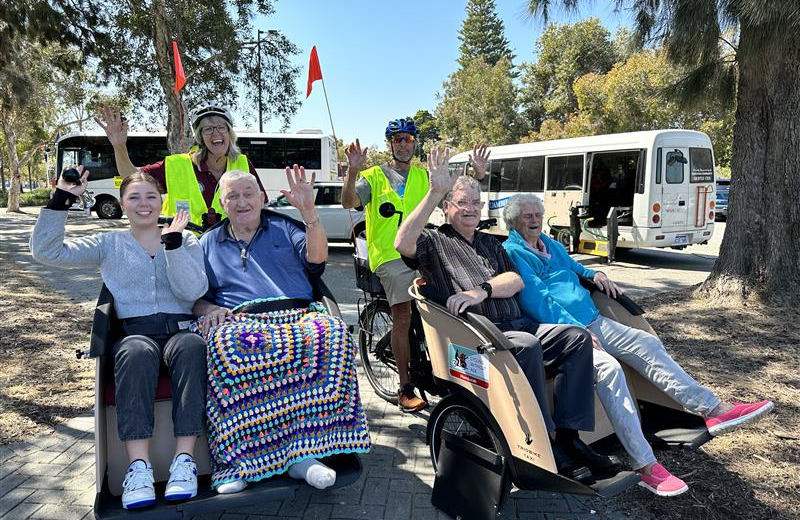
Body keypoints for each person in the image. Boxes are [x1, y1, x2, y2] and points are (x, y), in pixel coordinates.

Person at [501, 193, 775, 496]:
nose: (535, 220)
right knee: (610, 369)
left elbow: (576, 269)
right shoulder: (514, 252)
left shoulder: (549, 244)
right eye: (527, 216)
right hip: (568, 332)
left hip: (596, 320)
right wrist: (577, 330)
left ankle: (713, 409)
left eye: (537, 214)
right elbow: (537, 301)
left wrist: (598, 274)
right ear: (514, 222)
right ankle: (646, 466)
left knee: (647, 343)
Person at [393, 148, 617, 482]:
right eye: (461, 203)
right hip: (479, 335)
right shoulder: (433, 241)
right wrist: (433, 192)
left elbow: (514, 281)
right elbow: (402, 243)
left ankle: (570, 437)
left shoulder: (490, 243)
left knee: (576, 338)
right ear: (447, 208)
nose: (470, 209)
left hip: (517, 325)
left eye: (475, 203)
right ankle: (544, 444)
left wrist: (480, 290)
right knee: (526, 345)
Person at [30, 168, 208, 509]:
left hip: (180, 330)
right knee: (135, 352)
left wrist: (173, 246)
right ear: (122, 204)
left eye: (151, 197)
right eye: (134, 198)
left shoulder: (185, 238)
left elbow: (193, 290)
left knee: (191, 346)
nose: (144, 204)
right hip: (134, 333)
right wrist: (62, 198)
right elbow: (47, 253)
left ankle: (184, 460)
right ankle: (138, 467)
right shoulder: (108, 242)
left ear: (162, 201)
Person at [192, 167, 370, 494]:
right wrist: (210, 309)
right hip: (241, 319)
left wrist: (309, 213)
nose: (242, 201)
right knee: (228, 346)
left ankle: (307, 454)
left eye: (248, 194)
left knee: (331, 334)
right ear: (221, 202)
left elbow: (317, 260)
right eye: (233, 195)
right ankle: (238, 461)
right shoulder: (206, 243)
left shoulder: (285, 227)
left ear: (262, 198)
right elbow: (194, 299)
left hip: (295, 311)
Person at [341, 118, 489, 412]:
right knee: (404, 314)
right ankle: (405, 387)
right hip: (388, 256)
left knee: (453, 296)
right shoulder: (373, 176)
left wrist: (479, 175)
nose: (404, 144)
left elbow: (456, 195)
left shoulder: (424, 176)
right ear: (390, 144)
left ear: (415, 143)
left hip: (421, 251)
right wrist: (353, 171)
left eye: (409, 139)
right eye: (398, 139)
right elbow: (348, 202)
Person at [95, 102, 267, 228]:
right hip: (183, 250)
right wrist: (119, 146)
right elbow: (131, 179)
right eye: (207, 129)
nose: (215, 133)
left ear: (229, 133)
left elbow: (260, 206)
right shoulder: (175, 165)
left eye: (221, 127)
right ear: (200, 137)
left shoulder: (243, 164)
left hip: (229, 251)